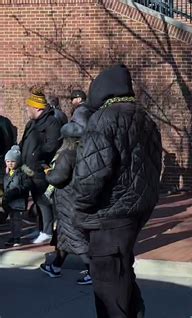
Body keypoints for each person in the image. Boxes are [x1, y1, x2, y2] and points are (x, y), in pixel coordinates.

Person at [71, 64, 162, 317]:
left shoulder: (103, 119)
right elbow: (155, 166)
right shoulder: (144, 118)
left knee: (109, 287)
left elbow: (90, 176)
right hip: (136, 209)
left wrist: (79, 208)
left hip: (108, 215)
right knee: (123, 274)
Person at [39, 106, 95, 284]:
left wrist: (47, 172)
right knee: (64, 237)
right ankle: (54, 267)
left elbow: (58, 178)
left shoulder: (67, 155)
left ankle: (93, 272)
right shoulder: (84, 153)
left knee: (75, 239)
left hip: (67, 201)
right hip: (76, 198)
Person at [20, 88, 62, 244]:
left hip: (40, 168)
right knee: (37, 200)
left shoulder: (52, 122)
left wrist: (36, 154)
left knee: (44, 200)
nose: (27, 109)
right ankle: (40, 228)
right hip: (28, 168)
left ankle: (47, 231)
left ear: (37, 108)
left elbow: (53, 145)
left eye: (29, 107)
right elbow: (24, 142)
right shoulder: (32, 123)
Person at [2, 145, 32, 247]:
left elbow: (27, 185)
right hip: (9, 201)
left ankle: (17, 237)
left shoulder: (22, 173)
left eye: (12, 161)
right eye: (8, 161)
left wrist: (17, 190)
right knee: (11, 220)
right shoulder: (7, 173)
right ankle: (13, 236)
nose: (10, 164)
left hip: (18, 201)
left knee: (17, 220)